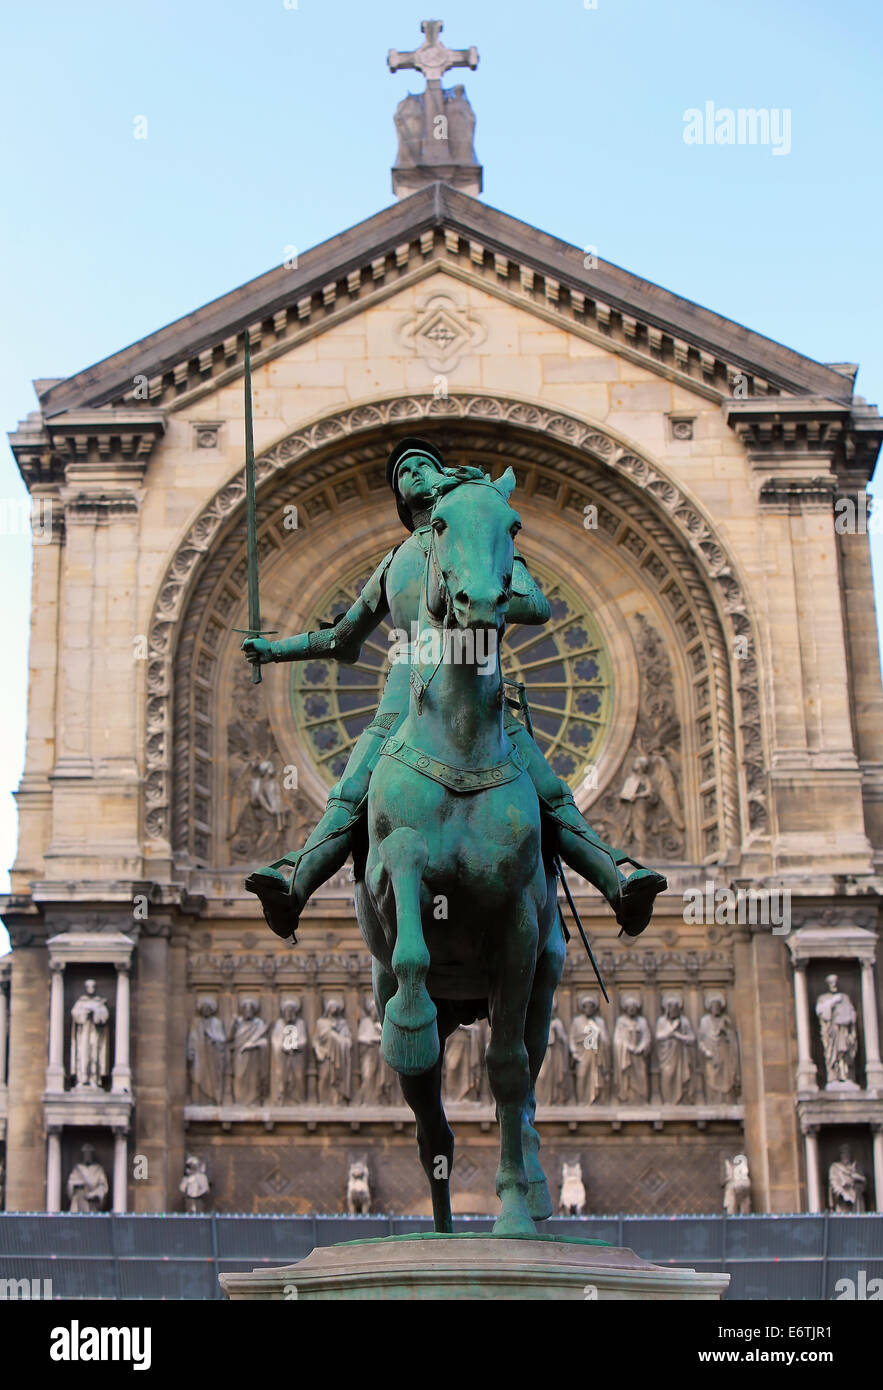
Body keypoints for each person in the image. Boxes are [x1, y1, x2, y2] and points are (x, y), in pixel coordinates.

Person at [242, 438, 665, 941]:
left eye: (426, 465)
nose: (416, 474)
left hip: (481, 692)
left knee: (550, 791)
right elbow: (342, 638)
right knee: (350, 791)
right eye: (405, 472)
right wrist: (274, 650)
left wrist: (490, 595)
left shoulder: (481, 538)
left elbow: (537, 605)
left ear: (445, 481)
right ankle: (295, 881)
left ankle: (617, 880)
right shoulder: (392, 563)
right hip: (405, 694)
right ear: (400, 496)